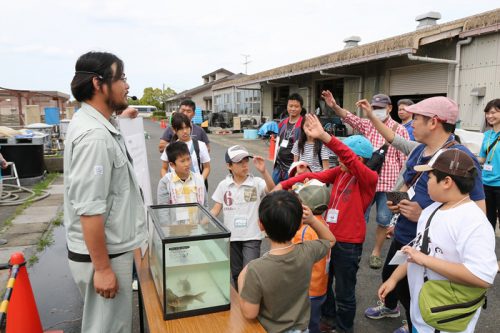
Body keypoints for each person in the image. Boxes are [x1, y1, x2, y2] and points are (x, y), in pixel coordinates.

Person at [362, 96, 485, 333]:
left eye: (416, 117)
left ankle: (415, 322)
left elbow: (478, 209)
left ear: (434, 122)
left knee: (421, 292)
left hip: (433, 245)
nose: (411, 122)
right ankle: (410, 318)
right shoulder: (419, 150)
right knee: (394, 278)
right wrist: (398, 205)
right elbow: (407, 184)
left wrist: (426, 217)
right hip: (406, 233)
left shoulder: (460, 159)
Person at [64, 51, 147, 333]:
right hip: (103, 256)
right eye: (121, 77)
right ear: (99, 84)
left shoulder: (96, 123)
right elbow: (90, 209)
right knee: (108, 328)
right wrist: (102, 269)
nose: (127, 85)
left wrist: (120, 117)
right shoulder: (95, 137)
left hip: (107, 250)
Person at [275, 114, 378, 333]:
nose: (337, 161)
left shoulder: (367, 177)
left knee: (344, 292)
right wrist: (282, 185)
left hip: (349, 244)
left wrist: (324, 136)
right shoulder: (339, 172)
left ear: (358, 159)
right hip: (327, 239)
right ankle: (328, 319)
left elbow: (346, 156)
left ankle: (344, 328)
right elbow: (315, 177)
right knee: (324, 281)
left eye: (341, 158)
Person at [378, 148, 497, 333]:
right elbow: (418, 250)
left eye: (430, 177)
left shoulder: (474, 221)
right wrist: (394, 278)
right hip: (422, 314)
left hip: (447, 319)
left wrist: (424, 260)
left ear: (447, 182)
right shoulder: (431, 210)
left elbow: (481, 276)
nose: (425, 183)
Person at [321, 90, 409, 270]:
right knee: (360, 215)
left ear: (389, 108)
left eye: (380, 108)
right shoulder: (368, 125)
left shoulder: (399, 130)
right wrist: (334, 106)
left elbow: (405, 163)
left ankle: (376, 251)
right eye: (374, 107)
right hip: (363, 182)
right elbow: (350, 117)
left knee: (385, 219)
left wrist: (401, 194)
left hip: (389, 183)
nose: (376, 110)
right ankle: (355, 249)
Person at [238, 190, 335, 333]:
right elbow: (330, 240)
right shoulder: (307, 252)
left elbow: (249, 313)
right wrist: (313, 220)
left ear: (261, 225)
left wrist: (241, 280)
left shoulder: (255, 269)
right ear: (299, 225)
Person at [210, 145, 274, 287]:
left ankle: (250, 304)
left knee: (249, 273)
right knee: (236, 273)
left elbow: (272, 190)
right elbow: (216, 209)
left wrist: (264, 172)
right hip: (232, 237)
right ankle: (241, 302)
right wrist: (201, 222)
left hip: (252, 236)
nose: (245, 165)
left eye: (246, 160)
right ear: (229, 166)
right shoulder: (224, 185)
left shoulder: (256, 182)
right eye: (239, 162)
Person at [293, 185, 331, 333]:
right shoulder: (322, 223)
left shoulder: (305, 231)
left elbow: (295, 258)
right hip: (321, 286)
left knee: (306, 324)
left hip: (308, 289)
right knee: (314, 320)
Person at [160, 112, 210, 181]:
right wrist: (167, 183)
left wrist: (200, 181)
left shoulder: (200, 145)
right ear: (174, 130)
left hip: (195, 188)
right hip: (175, 188)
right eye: (181, 129)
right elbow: (164, 168)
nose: (185, 131)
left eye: (187, 127)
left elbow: (207, 167)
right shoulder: (170, 147)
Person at [157, 141, 207, 206]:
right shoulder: (165, 182)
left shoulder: (199, 179)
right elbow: (163, 208)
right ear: (172, 165)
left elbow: (205, 205)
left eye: (188, 159)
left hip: (196, 216)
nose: (187, 164)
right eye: (182, 161)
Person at [478, 99, 500, 231]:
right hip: (486, 183)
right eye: (487, 113)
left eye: (493, 112)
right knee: (487, 219)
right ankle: (488, 248)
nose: (489, 116)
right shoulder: (487, 135)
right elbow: (482, 158)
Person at [272, 93, 304, 183]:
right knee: (274, 193)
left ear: (301, 108)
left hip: (292, 168)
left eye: (296, 106)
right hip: (278, 166)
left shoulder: (304, 124)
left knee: (290, 195)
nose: (293, 109)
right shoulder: (282, 123)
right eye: (291, 106)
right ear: (287, 106)